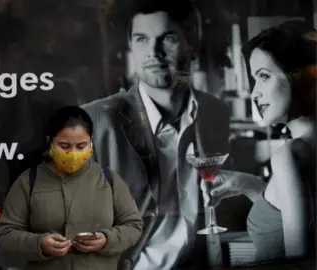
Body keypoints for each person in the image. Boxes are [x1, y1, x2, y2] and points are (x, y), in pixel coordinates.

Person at [81, 0, 230, 269]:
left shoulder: (215, 113)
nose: (154, 52)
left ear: (193, 43)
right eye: (141, 39)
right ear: (132, 49)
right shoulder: (94, 122)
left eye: (168, 38)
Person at [202, 20, 317, 263]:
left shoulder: (289, 157)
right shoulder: (304, 152)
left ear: (298, 76)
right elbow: (294, 214)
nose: (255, 93)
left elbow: (300, 263)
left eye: (264, 76)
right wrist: (249, 184)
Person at [0, 106, 143, 270]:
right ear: (49, 141)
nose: (73, 153)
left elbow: (133, 226)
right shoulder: (30, 181)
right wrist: (40, 243)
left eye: (81, 146)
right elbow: (6, 234)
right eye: (64, 146)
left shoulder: (108, 179)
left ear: (91, 141)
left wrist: (107, 239)